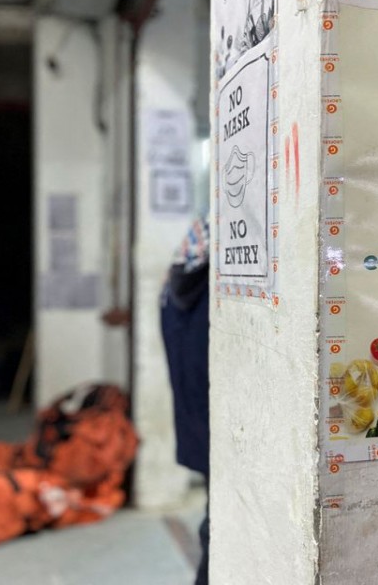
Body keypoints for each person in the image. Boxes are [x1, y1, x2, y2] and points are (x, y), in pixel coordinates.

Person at [160, 216, 210, 585]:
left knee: (217, 514)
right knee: (221, 518)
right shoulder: (210, 282)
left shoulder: (188, 265)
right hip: (214, 425)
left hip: (202, 422)